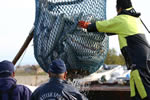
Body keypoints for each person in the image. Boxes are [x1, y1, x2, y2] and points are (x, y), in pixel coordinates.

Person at [78, 0, 150, 100]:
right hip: (143, 60)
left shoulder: (122, 19)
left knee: (145, 93)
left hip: (138, 62)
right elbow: (111, 29)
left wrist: (88, 26)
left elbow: (104, 25)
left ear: (119, 8)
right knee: (136, 92)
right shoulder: (134, 19)